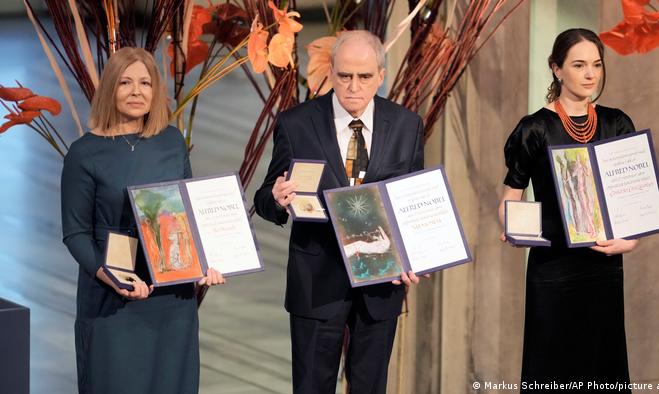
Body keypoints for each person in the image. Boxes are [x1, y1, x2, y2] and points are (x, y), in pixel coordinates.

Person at [254, 30, 424, 394]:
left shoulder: (407, 125)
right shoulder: (296, 123)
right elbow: (265, 200)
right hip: (317, 279)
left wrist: (415, 258)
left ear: (381, 75)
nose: (353, 86)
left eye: (364, 77)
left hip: (381, 283)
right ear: (330, 72)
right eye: (344, 75)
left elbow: (412, 203)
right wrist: (277, 197)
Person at [61, 47, 224, 394]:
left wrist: (208, 262)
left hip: (173, 299)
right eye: (125, 82)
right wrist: (113, 278)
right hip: (113, 297)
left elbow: (187, 214)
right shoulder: (84, 153)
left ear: (156, 90)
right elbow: (75, 234)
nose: (137, 91)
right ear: (109, 89)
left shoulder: (171, 141)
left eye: (146, 82)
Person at [498, 28, 639, 392]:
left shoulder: (617, 123)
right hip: (553, 270)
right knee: (551, 367)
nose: (591, 74)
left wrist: (631, 241)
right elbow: (510, 198)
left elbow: (633, 202)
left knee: (601, 365)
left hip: (604, 267)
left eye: (596, 64)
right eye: (579, 65)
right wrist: (513, 228)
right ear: (557, 69)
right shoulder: (533, 129)